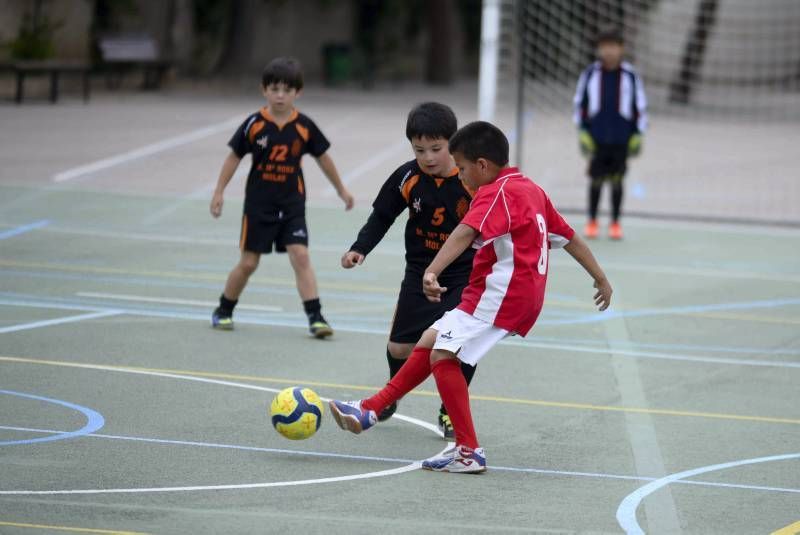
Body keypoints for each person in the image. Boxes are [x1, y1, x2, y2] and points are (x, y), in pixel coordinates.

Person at [329, 121, 612, 473]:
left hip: (502, 294)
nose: (459, 177)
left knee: (443, 354)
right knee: (431, 339)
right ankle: (371, 409)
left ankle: (468, 450)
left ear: (482, 165)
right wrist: (600, 278)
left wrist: (431, 271)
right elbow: (568, 237)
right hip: (510, 294)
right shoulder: (531, 189)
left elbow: (465, 232)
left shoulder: (497, 192)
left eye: (461, 168)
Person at [341, 102, 477, 439]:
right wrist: (360, 248)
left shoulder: (470, 181)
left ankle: (450, 410)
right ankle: (392, 394)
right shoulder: (407, 176)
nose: (428, 156)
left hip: (463, 274)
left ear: (453, 143)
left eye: (436, 148)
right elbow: (382, 216)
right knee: (401, 348)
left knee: (458, 345)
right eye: (419, 149)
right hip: (420, 270)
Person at [209, 57, 354, 337]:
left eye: (287, 90)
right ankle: (224, 309)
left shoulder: (304, 126)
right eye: (274, 89)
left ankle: (316, 317)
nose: (280, 95)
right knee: (249, 262)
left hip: (291, 203)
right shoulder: (254, 124)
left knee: (300, 255)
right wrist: (219, 191)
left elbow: (323, 158)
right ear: (264, 90)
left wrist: (341, 190)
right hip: (258, 204)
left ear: (297, 93)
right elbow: (233, 158)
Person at [573, 27, 647, 240]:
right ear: (598, 49)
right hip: (597, 137)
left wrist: (638, 133)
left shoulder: (631, 76)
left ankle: (615, 222)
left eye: (613, 46)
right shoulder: (590, 74)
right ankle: (592, 221)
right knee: (595, 179)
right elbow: (580, 103)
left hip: (621, 137)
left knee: (617, 180)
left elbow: (639, 106)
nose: (609, 51)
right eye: (604, 46)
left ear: (621, 49)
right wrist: (582, 131)